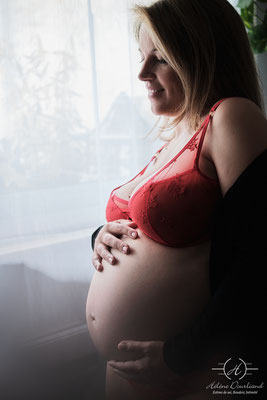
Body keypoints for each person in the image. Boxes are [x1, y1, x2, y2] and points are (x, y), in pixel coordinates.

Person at [86, 0, 267, 399]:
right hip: (127, 378)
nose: (141, 73)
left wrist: (181, 355)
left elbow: (257, 258)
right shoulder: (175, 134)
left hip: (188, 374)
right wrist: (101, 237)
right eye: (142, 56)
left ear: (202, 56)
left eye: (161, 58)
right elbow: (144, 225)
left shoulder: (233, 117)